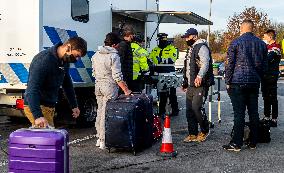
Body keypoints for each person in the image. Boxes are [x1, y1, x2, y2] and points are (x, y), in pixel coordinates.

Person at [223, 20, 267, 152]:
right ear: (252, 29)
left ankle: (236, 143)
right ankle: (253, 142)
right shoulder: (262, 44)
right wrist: (258, 78)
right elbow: (264, 67)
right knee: (254, 113)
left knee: (239, 114)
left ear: (241, 28)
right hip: (254, 83)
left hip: (238, 82)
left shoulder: (235, 43)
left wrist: (227, 81)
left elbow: (229, 65)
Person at [24, 37, 87, 128]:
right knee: (49, 140)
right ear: (68, 47)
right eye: (76, 55)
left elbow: (67, 84)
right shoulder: (44, 60)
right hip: (38, 105)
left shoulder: (64, 61)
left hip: (48, 107)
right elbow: (32, 89)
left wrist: (74, 105)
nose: (77, 60)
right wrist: (38, 115)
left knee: (44, 139)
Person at [92, 32, 132, 149]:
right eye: (118, 44)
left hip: (98, 85)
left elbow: (94, 72)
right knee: (107, 114)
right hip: (109, 87)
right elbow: (117, 76)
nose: (119, 46)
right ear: (114, 45)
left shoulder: (95, 55)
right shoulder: (114, 56)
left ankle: (99, 138)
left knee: (99, 112)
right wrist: (126, 90)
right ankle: (104, 141)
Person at [181, 28, 214, 143]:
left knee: (196, 108)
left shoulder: (201, 47)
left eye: (187, 37)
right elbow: (188, 68)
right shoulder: (190, 49)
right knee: (189, 110)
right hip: (190, 85)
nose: (186, 39)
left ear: (194, 36)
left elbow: (205, 63)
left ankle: (205, 131)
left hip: (200, 84)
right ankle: (192, 133)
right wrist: (185, 82)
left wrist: (200, 76)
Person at [149, 33, 179, 117]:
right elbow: (150, 59)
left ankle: (175, 111)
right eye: (159, 41)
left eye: (162, 40)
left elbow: (172, 60)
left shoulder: (172, 48)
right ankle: (161, 112)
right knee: (162, 94)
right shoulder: (155, 50)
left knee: (172, 94)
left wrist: (159, 60)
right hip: (160, 74)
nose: (160, 42)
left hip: (170, 74)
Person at [261, 29, 282, 127]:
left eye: (265, 37)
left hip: (271, 76)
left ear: (270, 37)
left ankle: (274, 119)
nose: (263, 38)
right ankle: (266, 117)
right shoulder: (267, 47)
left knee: (272, 97)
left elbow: (267, 59)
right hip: (265, 76)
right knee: (265, 97)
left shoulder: (276, 48)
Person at [117, 25, 135, 91]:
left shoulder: (126, 44)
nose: (133, 37)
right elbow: (120, 62)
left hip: (126, 76)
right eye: (133, 35)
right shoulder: (123, 44)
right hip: (125, 77)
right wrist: (124, 79)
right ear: (130, 35)